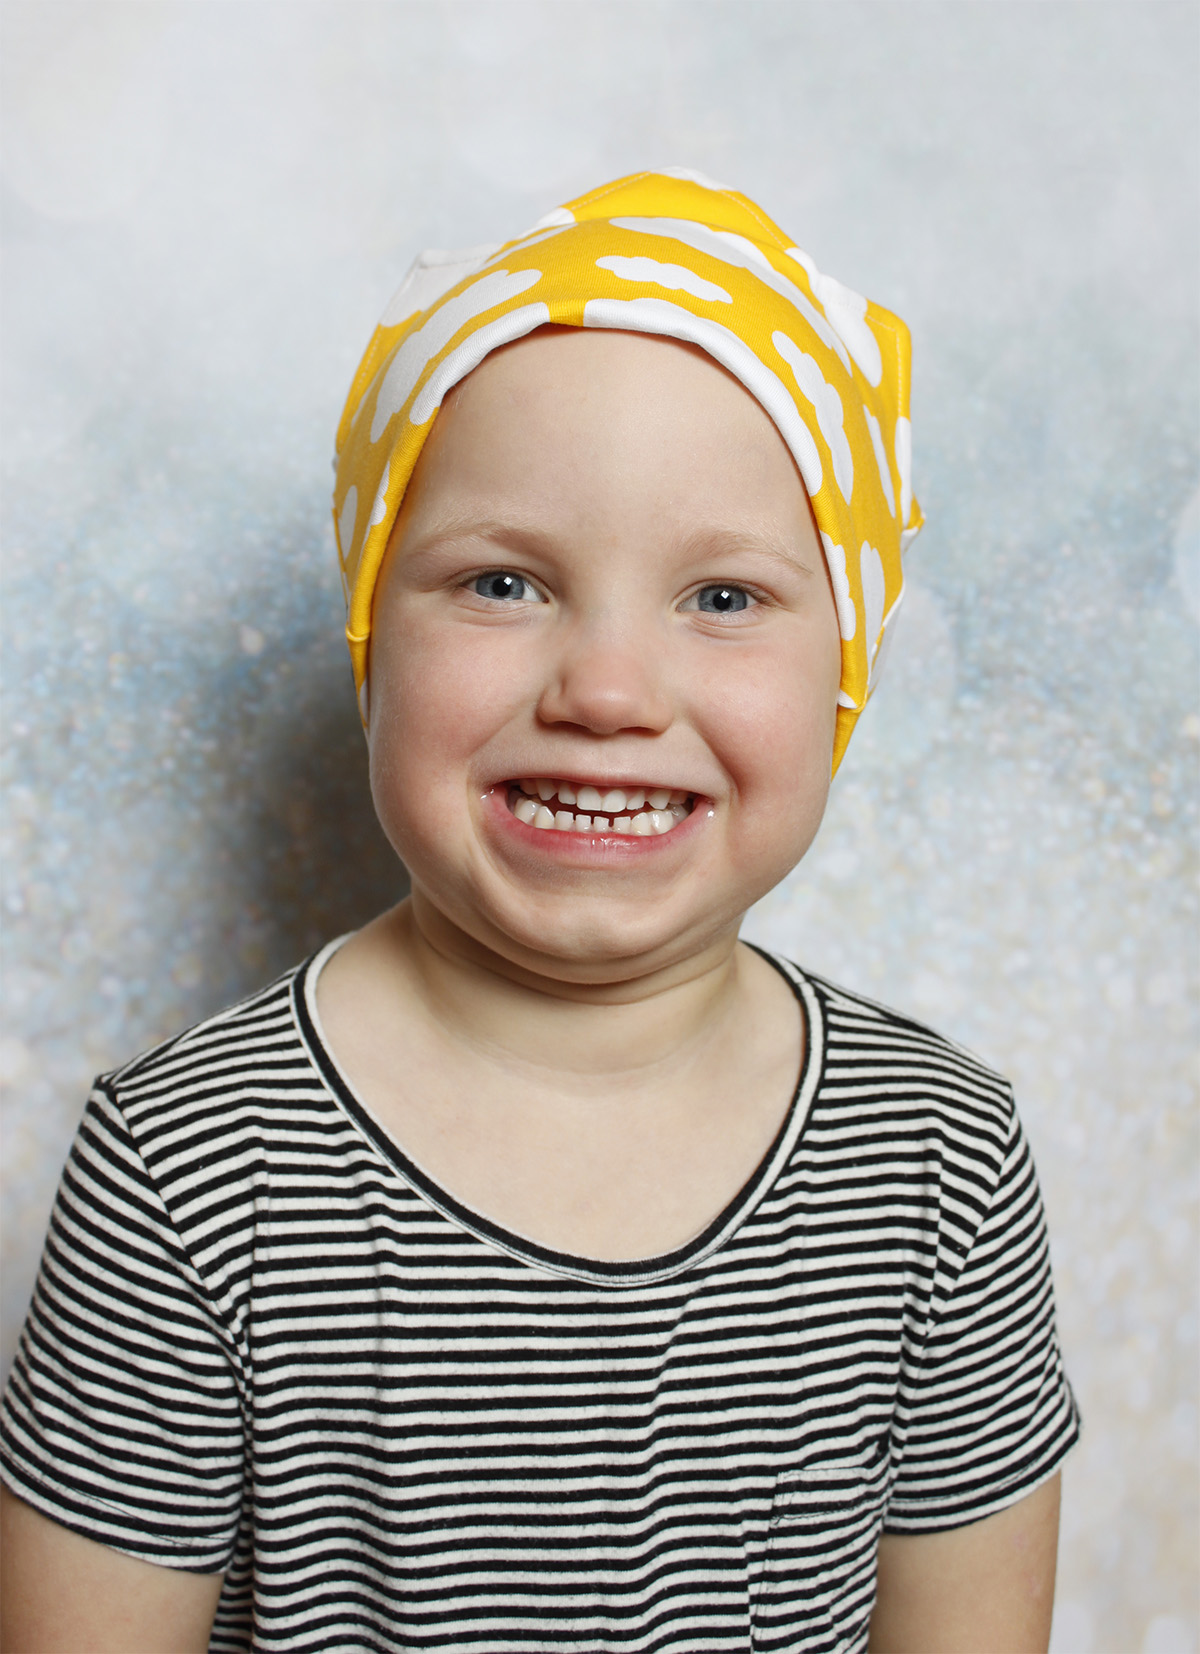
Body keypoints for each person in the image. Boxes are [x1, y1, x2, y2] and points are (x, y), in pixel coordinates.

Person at [0, 169, 1078, 1654]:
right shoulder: (192, 1167)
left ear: (848, 667)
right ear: (372, 634)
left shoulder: (936, 1156)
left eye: (723, 598)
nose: (609, 691)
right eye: (504, 582)